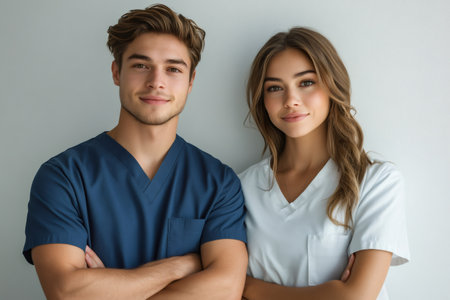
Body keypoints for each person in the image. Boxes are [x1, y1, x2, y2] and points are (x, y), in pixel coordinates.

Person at [23, 4, 247, 299]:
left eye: (173, 69)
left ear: (191, 81)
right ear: (117, 72)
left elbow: (226, 289)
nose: (156, 81)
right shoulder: (63, 176)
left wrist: (113, 290)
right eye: (141, 65)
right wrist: (181, 266)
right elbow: (67, 292)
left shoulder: (219, 182)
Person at [239, 27, 410, 300]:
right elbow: (220, 285)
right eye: (274, 88)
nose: (291, 101)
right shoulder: (241, 188)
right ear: (264, 101)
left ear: (332, 86)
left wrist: (248, 286)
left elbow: (356, 296)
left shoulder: (376, 181)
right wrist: (331, 291)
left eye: (306, 82)